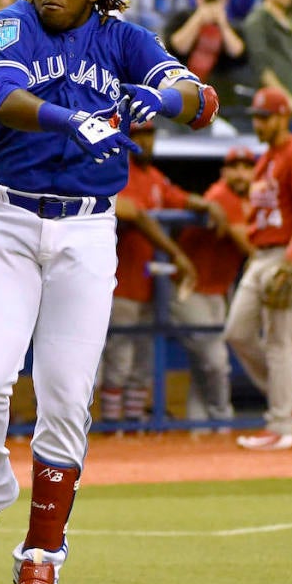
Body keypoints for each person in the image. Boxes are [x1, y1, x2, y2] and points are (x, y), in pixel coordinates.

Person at [0, 0, 219, 584]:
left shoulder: (123, 37)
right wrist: (68, 120)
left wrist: (161, 98)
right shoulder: (9, 27)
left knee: (67, 395)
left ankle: (43, 554)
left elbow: (202, 99)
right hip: (7, 222)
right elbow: (0, 98)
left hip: (86, 232)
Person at [100, 121, 224, 426]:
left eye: (150, 134)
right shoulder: (118, 169)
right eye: (139, 133)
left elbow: (178, 199)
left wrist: (207, 204)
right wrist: (177, 253)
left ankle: (133, 427)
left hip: (149, 285)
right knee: (118, 361)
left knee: (143, 362)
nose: (145, 140)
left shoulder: (154, 177)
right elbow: (137, 214)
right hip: (120, 284)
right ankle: (114, 427)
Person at [224, 87, 292, 451]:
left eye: (265, 116)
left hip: (287, 255)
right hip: (262, 254)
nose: (258, 123)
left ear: (283, 117)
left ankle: (281, 426)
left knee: (281, 343)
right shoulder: (267, 159)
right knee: (238, 331)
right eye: (256, 116)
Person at [171, 147, 255, 428]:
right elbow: (250, 247)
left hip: (216, 290)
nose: (241, 173)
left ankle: (199, 427)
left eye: (247, 167)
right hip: (189, 289)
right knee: (216, 361)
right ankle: (223, 422)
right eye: (235, 167)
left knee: (203, 365)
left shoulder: (250, 200)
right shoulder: (222, 195)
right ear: (224, 172)